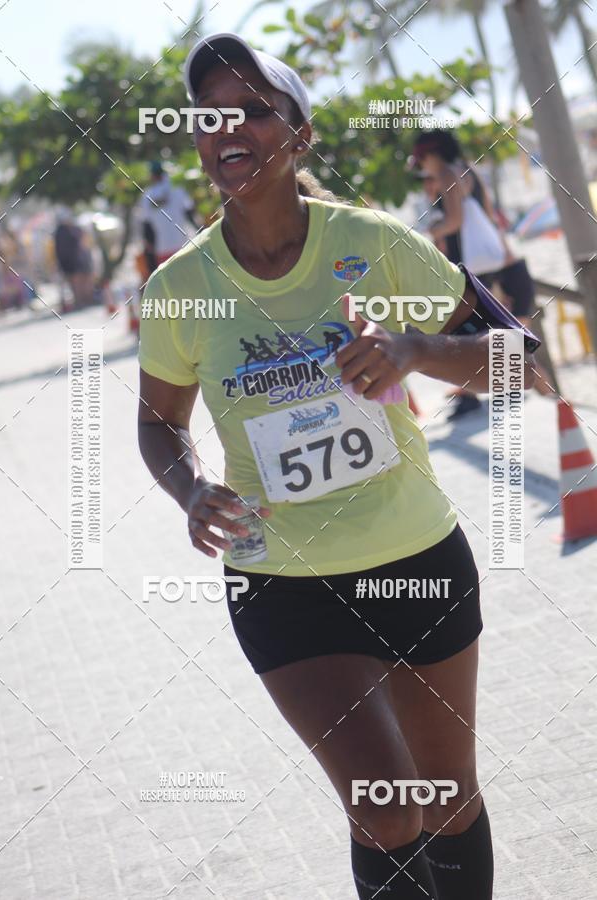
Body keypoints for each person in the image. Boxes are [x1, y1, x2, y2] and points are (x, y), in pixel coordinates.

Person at [138, 33, 539, 900]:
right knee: (388, 807)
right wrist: (188, 487)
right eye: (211, 113)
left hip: (417, 558)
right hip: (282, 580)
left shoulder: (376, 244)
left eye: (253, 107)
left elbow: (524, 360)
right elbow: (155, 424)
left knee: (446, 799)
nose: (229, 125)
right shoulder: (178, 290)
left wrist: (415, 348)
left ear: (300, 134)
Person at [410, 129, 550, 415]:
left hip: (477, 275)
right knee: (519, 346)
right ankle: (559, 404)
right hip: (498, 266)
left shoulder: (448, 174)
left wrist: (425, 232)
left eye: (421, 159)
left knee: (497, 344)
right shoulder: (467, 171)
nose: (422, 166)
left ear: (431, 154)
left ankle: (557, 406)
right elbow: (488, 217)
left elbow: (455, 221)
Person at [138, 161, 200, 273]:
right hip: (183, 246)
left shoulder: (147, 196)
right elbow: (190, 212)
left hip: (162, 249)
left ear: (152, 175)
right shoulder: (178, 190)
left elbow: (146, 224)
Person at [53, 208, 95, 309]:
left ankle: (83, 299)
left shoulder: (71, 230)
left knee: (80, 280)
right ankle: (79, 300)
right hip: (69, 261)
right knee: (75, 281)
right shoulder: (62, 232)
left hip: (75, 260)